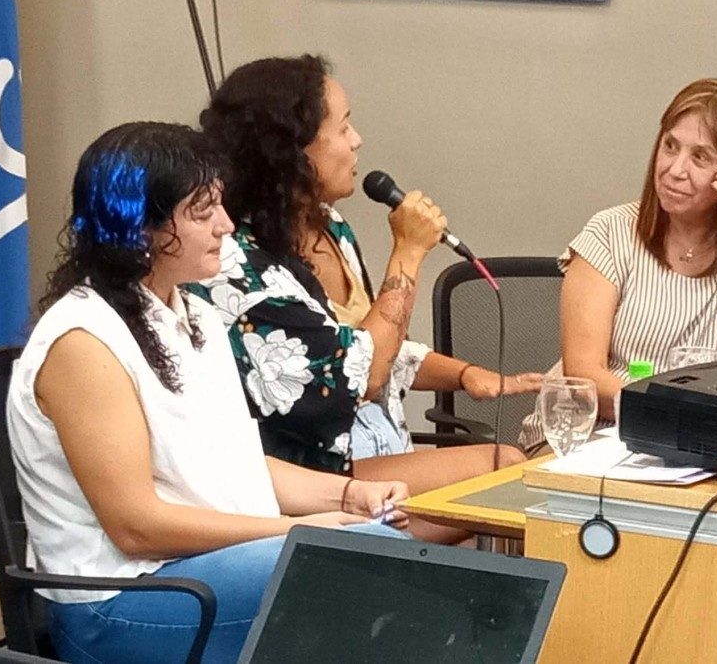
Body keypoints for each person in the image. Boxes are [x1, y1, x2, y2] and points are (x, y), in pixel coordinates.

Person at [6, 122, 410, 664]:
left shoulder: (193, 314)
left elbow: (235, 464)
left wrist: (345, 497)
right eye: (202, 212)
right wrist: (297, 529)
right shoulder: (83, 341)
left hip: (200, 572)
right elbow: (136, 527)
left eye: (220, 204)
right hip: (121, 601)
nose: (226, 225)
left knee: (389, 562)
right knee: (370, 569)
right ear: (139, 228)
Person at [193, 56, 538, 541]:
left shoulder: (331, 226)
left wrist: (465, 375)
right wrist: (408, 253)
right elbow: (361, 373)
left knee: (512, 486)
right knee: (508, 473)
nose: (356, 141)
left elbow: (374, 338)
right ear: (291, 150)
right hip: (312, 478)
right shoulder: (236, 264)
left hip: (377, 448)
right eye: (342, 128)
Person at [519, 78, 717, 456]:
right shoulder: (610, 232)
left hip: (712, 447)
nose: (674, 169)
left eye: (700, 157)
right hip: (592, 437)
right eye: (670, 146)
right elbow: (583, 377)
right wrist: (678, 420)